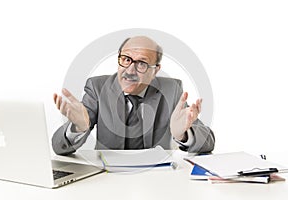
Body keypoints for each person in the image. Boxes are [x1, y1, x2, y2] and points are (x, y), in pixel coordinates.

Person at [52, 36, 215, 155]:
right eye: (126, 59)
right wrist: (78, 128)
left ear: (155, 70)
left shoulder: (171, 90)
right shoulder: (97, 88)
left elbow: (209, 142)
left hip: (157, 180)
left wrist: (183, 134)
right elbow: (58, 147)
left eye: (142, 64)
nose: (130, 70)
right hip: (106, 179)